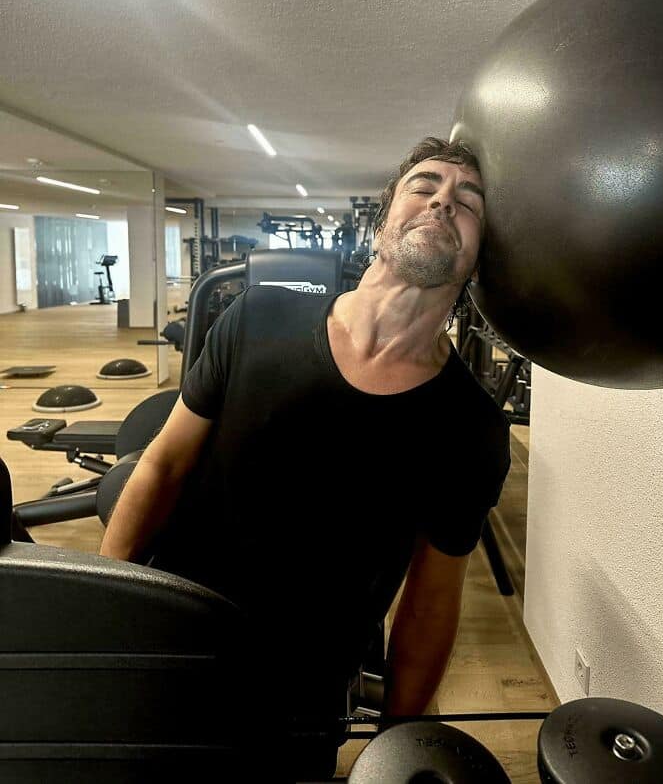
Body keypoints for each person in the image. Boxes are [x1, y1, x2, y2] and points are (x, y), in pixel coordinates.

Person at [99, 135, 511, 780]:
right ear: (382, 227)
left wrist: (400, 742)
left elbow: (430, 601)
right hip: (173, 634)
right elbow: (162, 465)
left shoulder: (471, 425)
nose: (441, 203)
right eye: (424, 187)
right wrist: (107, 604)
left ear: (482, 256)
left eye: (468, 202)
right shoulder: (257, 317)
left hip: (302, 692)